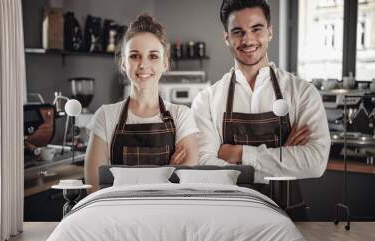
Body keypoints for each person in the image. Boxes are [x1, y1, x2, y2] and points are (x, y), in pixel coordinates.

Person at [192, 0, 330, 188]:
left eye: (256, 29)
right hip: (230, 212)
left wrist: (237, 153)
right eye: (237, 32)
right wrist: (282, 156)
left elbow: (315, 162)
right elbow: (204, 166)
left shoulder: (303, 93)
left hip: (287, 210)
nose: (247, 40)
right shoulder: (206, 100)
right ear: (226, 38)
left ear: (270, 32)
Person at [85, 14, 199, 193]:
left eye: (153, 56)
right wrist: (166, 174)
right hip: (116, 217)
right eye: (134, 56)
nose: (143, 64)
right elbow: (94, 190)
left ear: (165, 63)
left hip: (168, 217)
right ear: (124, 63)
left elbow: (184, 188)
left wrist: (122, 182)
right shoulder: (105, 116)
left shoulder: (181, 116)